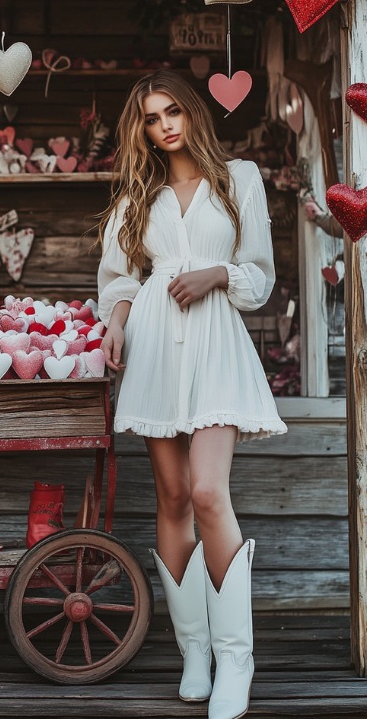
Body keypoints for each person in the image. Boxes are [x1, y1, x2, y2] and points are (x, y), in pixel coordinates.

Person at [96, 69, 287, 719]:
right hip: (153, 345)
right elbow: (118, 278)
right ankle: (196, 652)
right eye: (151, 117)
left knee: (209, 491)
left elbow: (260, 278)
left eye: (172, 110)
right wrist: (117, 322)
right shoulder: (136, 194)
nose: (164, 125)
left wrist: (216, 274)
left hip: (215, 345)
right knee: (173, 496)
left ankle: (237, 660)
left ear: (193, 112)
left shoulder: (240, 179)